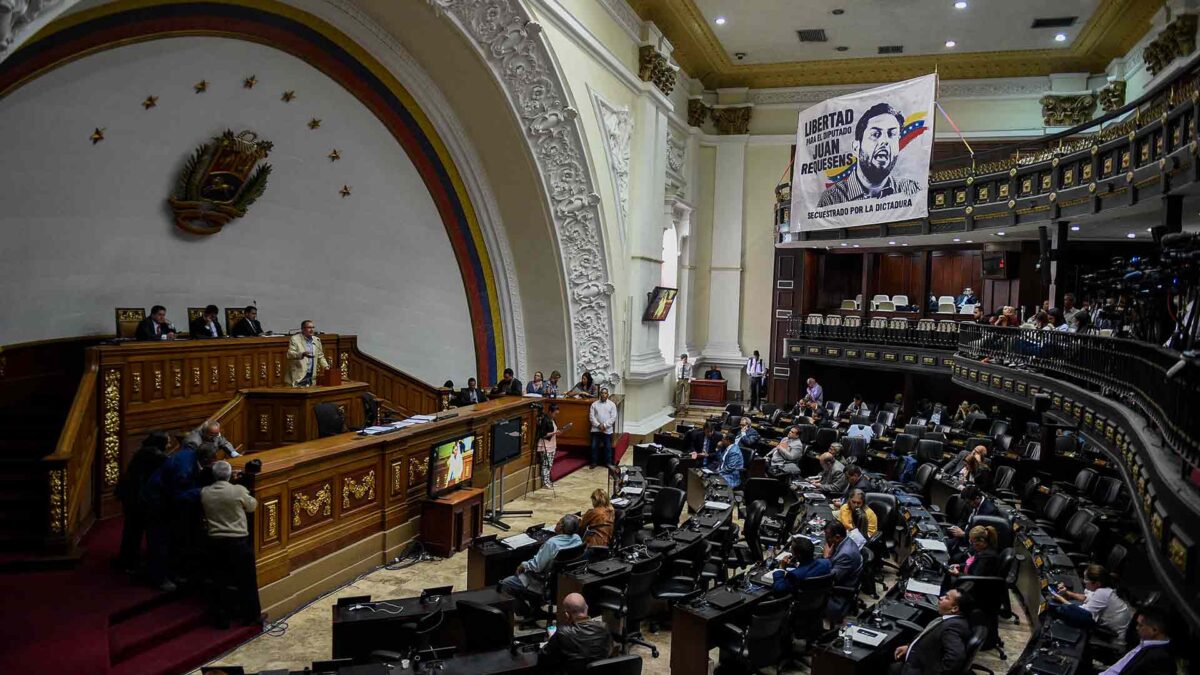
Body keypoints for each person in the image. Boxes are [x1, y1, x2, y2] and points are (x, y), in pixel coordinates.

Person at [142, 442, 218, 591]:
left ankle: (171, 573)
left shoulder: (190, 456)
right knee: (160, 540)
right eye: (212, 460)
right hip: (155, 502)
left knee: (172, 538)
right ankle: (159, 578)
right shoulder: (185, 468)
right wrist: (202, 491)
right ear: (206, 458)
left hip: (164, 500)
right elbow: (177, 495)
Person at [817, 102, 921, 206]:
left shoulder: (911, 190)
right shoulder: (832, 199)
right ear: (856, 147)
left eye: (891, 134)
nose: (884, 141)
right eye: (875, 134)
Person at [200, 461, 260, 627]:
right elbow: (252, 506)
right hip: (237, 542)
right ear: (229, 475)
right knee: (246, 581)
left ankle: (222, 618)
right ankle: (251, 617)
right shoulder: (237, 491)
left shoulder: (205, 492)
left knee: (220, 581)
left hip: (215, 542)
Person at [500, 515, 583, 615]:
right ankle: (536, 608)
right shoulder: (578, 539)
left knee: (505, 584)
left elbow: (537, 567)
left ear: (561, 527)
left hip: (544, 583)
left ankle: (525, 612)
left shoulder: (552, 544)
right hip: (564, 581)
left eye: (558, 522)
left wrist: (523, 565)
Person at [115, 431, 170, 573]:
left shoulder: (142, 452)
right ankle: (132, 563)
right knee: (139, 531)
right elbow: (169, 465)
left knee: (131, 531)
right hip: (139, 500)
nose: (169, 445)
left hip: (130, 497)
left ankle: (127, 560)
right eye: (167, 442)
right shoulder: (156, 455)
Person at [889, 589, 973, 675]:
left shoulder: (954, 627)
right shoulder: (951, 620)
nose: (941, 598)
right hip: (916, 658)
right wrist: (909, 647)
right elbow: (932, 641)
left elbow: (956, 658)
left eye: (946, 598)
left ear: (954, 608)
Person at [1049, 564, 1132, 638]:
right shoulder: (1104, 588)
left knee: (1063, 610)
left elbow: (1082, 613)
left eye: (1086, 579)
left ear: (1097, 583)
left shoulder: (1102, 593)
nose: (1084, 581)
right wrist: (1066, 592)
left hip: (1114, 636)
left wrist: (1060, 598)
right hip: (1113, 628)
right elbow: (1086, 598)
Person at [538, 592, 612, 673]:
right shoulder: (604, 628)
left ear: (567, 615)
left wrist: (551, 640)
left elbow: (544, 658)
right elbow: (609, 653)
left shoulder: (562, 633)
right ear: (586, 608)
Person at [1099, 607, 1173, 674]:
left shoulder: (1159, 657)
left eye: (1141, 625)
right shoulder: (1143, 643)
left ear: (1155, 630)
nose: (1137, 628)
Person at [823, 521, 863, 621]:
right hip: (843, 578)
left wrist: (826, 558)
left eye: (828, 537)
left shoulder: (846, 554)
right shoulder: (845, 541)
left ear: (837, 537)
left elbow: (830, 577)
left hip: (839, 591)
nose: (826, 540)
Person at [285, 320, 330, 387]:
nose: (311, 330)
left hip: (311, 376)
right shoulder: (295, 339)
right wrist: (302, 354)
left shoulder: (316, 340)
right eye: (309, 327)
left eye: (313, 327)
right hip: (299, 375)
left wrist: (326, 367)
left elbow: (320, 356)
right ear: (303, 329)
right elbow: (290, 354)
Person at [536, 404, 565, 488]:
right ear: (550, 412)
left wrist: (558, 432)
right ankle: (545, 483)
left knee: (550, 464)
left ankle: (548, 480)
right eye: (555, 413)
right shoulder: (545, 420)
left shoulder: (553, 420)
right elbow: (542, 434)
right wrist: (554, 433)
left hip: (552, 444)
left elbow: (554, 431)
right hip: (545, 445)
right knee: (546, 464)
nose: (556, 415)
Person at [588, 388, 618, 468]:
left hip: (607, 430)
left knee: (608, 447)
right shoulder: (594, 404)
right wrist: (598, 425)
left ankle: (608, 463)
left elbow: (613, 418)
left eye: (605, 393)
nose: (603, 395)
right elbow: (591, 417)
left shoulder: (612, 404)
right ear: (600, 394)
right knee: (594, 446)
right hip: (596, 429)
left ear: (607, 395)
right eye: (602, 393)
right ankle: (594, 462)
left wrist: (604, 425)